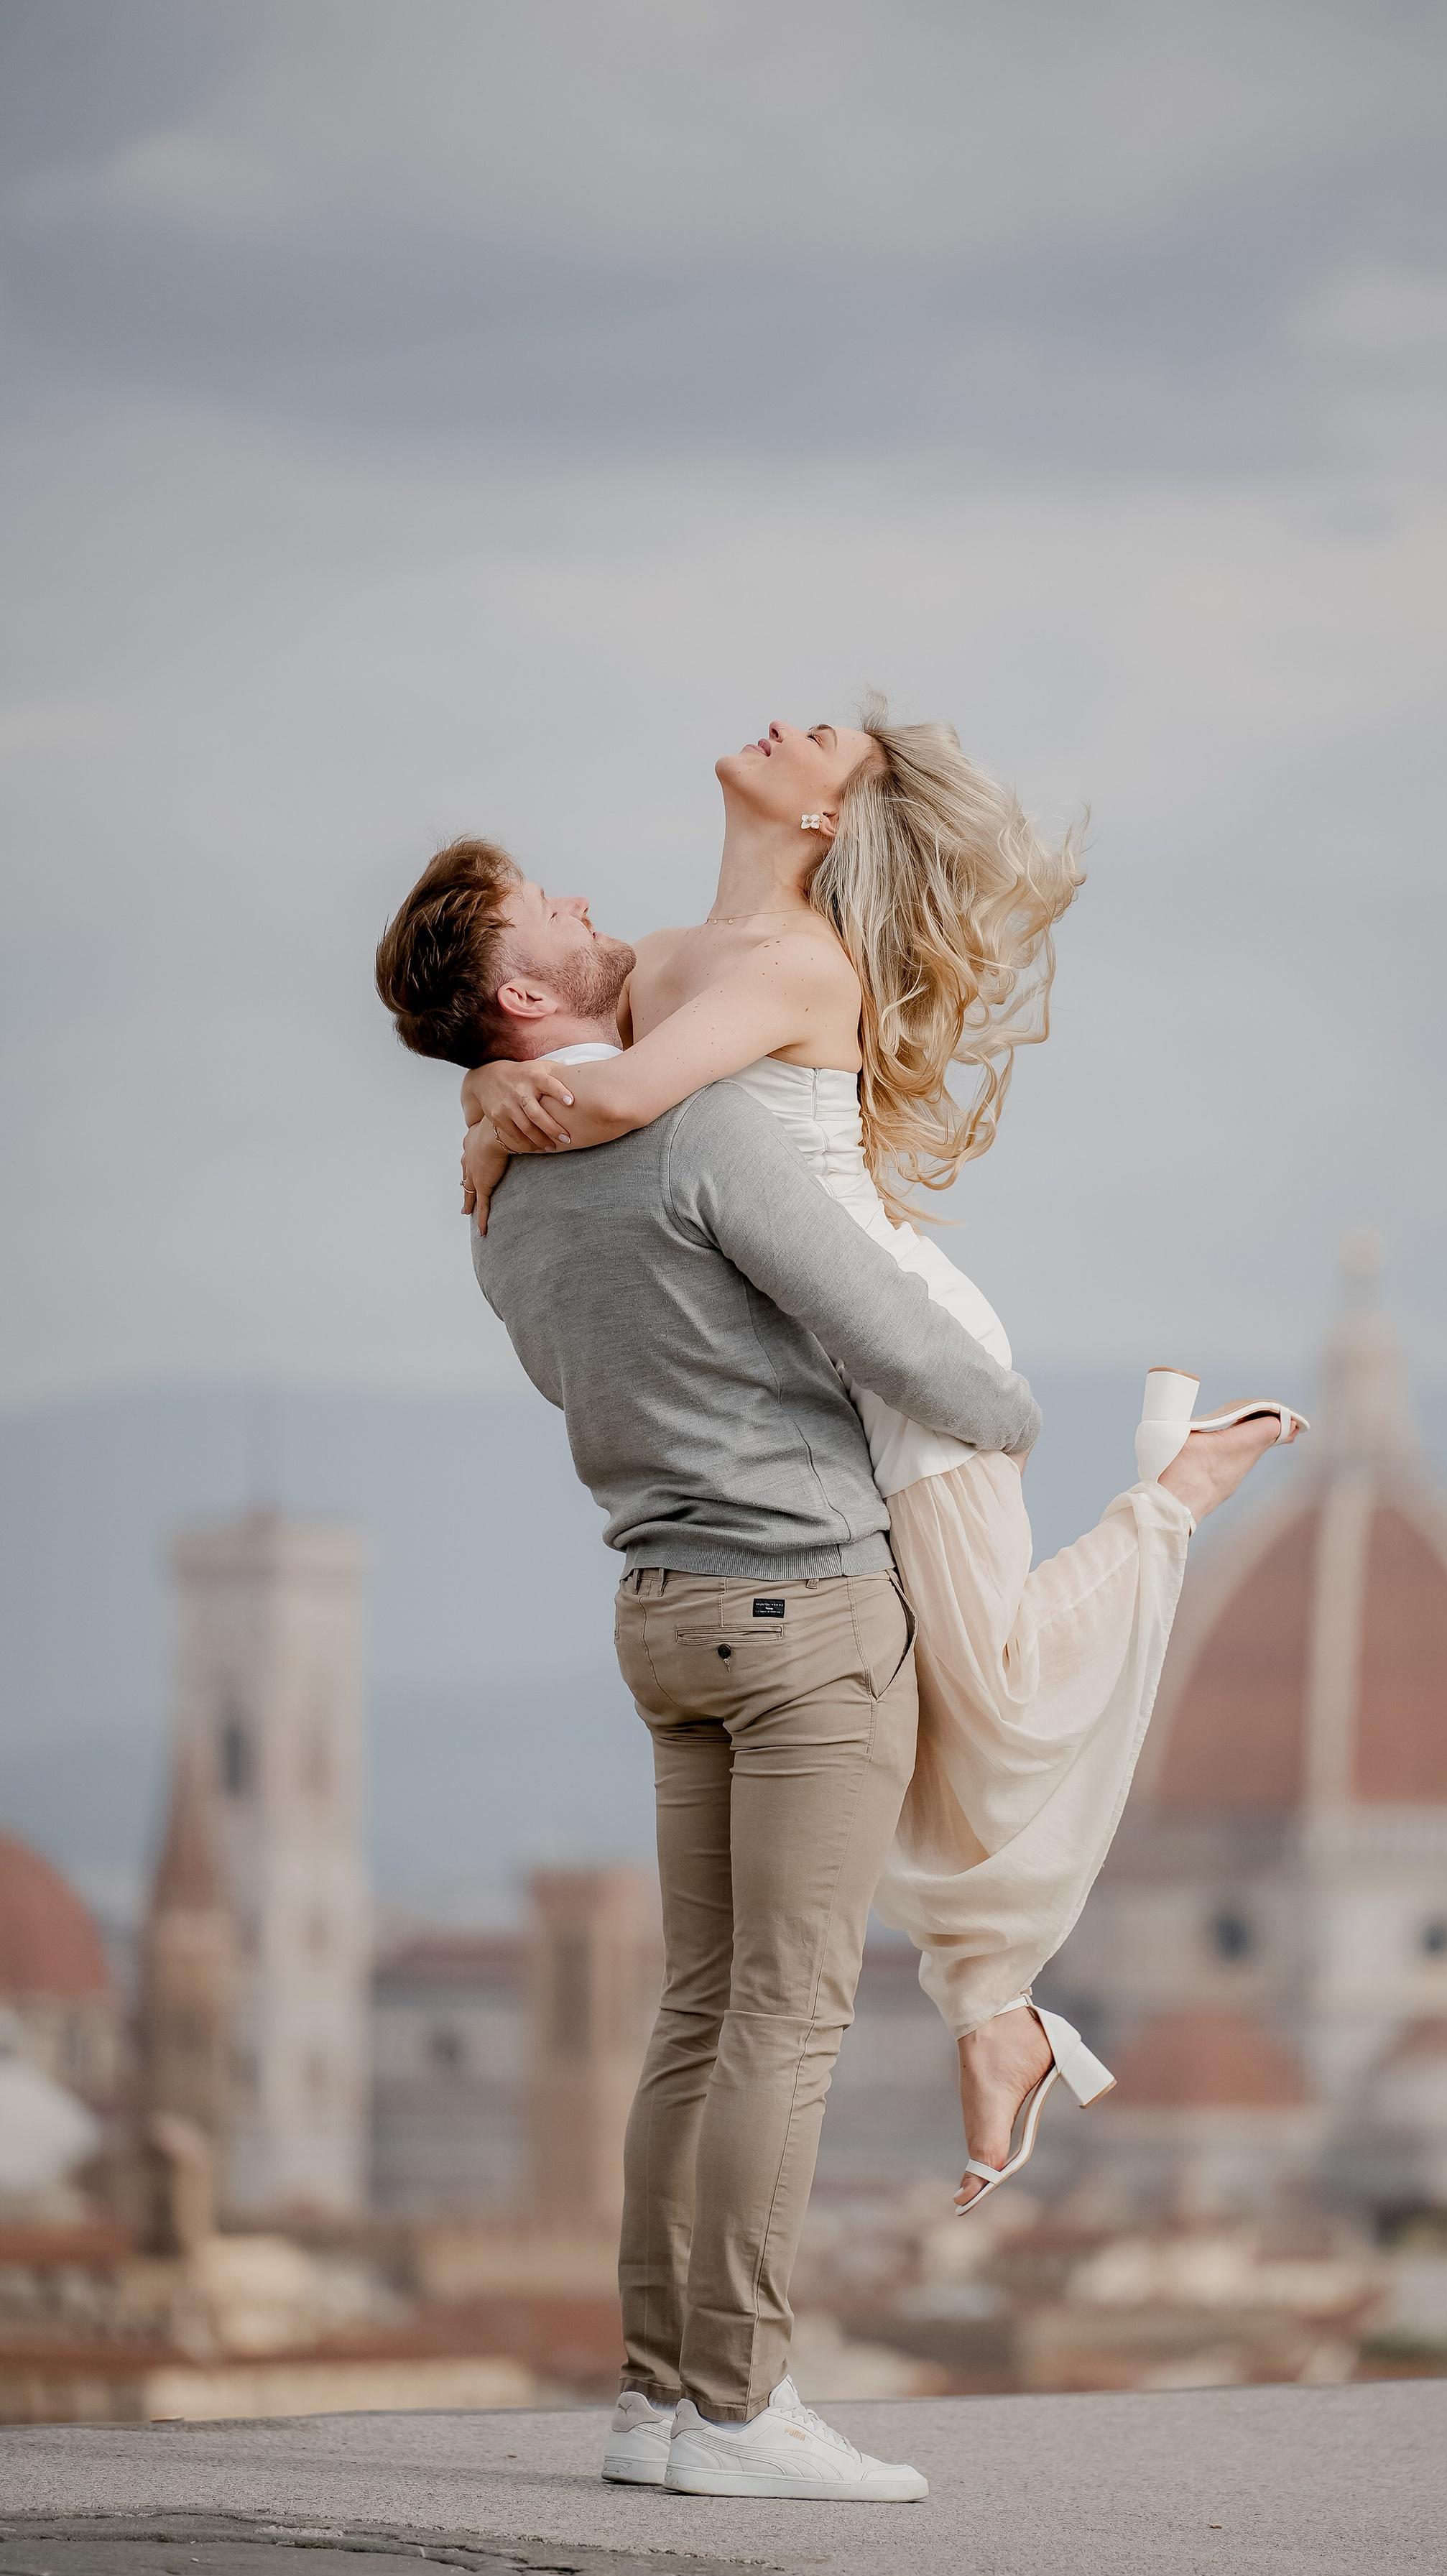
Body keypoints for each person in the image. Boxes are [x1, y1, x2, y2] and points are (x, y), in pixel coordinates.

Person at [424, 701, 1303, 2212]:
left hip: (906, 1358)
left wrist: (489, 1124)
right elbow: (551, 1026)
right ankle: (996, 2012)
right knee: (923, 1729)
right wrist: (487, 1081)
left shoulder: (786, 966)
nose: (792, 721)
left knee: (999, 1695)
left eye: (830, 742)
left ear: (828, 822)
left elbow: (620, 1099)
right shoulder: (665, 952)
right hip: (822, 1387)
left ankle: (1167, 1503)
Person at [376, 876, 1037, 2498]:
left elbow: (575, 1365)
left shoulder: (503, 1201)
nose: (585, 903)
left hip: (661, 1608)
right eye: (541, 911)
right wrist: (1004, 1410)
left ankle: (657, 2400)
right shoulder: (701, 1140)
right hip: (804, 1603)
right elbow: (901, 1340)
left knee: (693, 2017)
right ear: (519, 1001)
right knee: (785, 2024)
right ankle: (738, 2407)